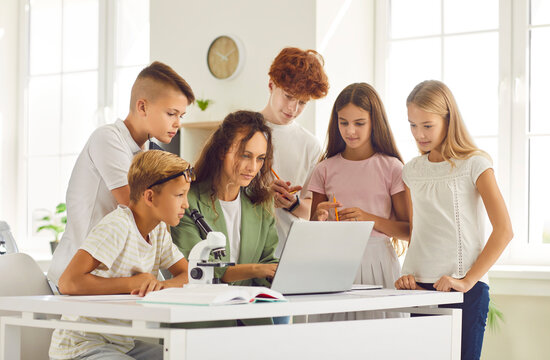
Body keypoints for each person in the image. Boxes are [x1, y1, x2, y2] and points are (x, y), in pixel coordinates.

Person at [394, 80, 513, 360]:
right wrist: (407, 274)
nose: (419, 134)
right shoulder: (411, 171)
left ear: (448, 120)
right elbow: (417, 232)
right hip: (418, 290)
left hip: (465, 290)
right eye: (412, 125)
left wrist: (467, 280)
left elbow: (504, 230)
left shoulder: (476, 164)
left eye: (427, 125)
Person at [48, 61, 195, 286]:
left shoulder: (145, 153)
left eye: (181, 116)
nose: (177, 123)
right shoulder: (108, 139)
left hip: (116, 280)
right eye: (171, 113)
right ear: (142, 107)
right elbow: (137, 209)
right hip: (79, 279)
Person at [49, 150, 192, 360]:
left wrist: (161, 286)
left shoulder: (158, 231)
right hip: (80, 346)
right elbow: (68, 282)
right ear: (150, 196)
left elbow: (188, 275)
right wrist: (132, 283)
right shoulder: (118, 226)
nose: (186, 204)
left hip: (122, 345)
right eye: (179, 195)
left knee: (186, 356)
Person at [308, 83, 409, 320]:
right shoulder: (324, 169)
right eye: (343, 122)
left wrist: (368, 219)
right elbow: (311, 232)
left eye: (359, 123)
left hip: (379, 264)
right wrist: (317, 219)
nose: (350, 131)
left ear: (375, 122)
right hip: (332, 264)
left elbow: (408, 230)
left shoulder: (392, 168)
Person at [171, 111, 278, 326]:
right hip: (202, 319)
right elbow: (202, 272)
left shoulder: (261, 203)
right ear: (222, 151)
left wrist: (277, 272)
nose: (253, 168)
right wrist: (259, 269)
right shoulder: (187, 200)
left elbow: (267, 261)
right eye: (245, 155)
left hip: (251, 320)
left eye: (260, 159)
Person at [260, 47, 329, 257]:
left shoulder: (310, 145)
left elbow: (312, 211)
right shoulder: (243, 130)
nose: (293, 108)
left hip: (291, 251)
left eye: (302, 103)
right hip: (245, 250)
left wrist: (294, 204)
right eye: (288, 96)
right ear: (271, 85)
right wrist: (263, 194)